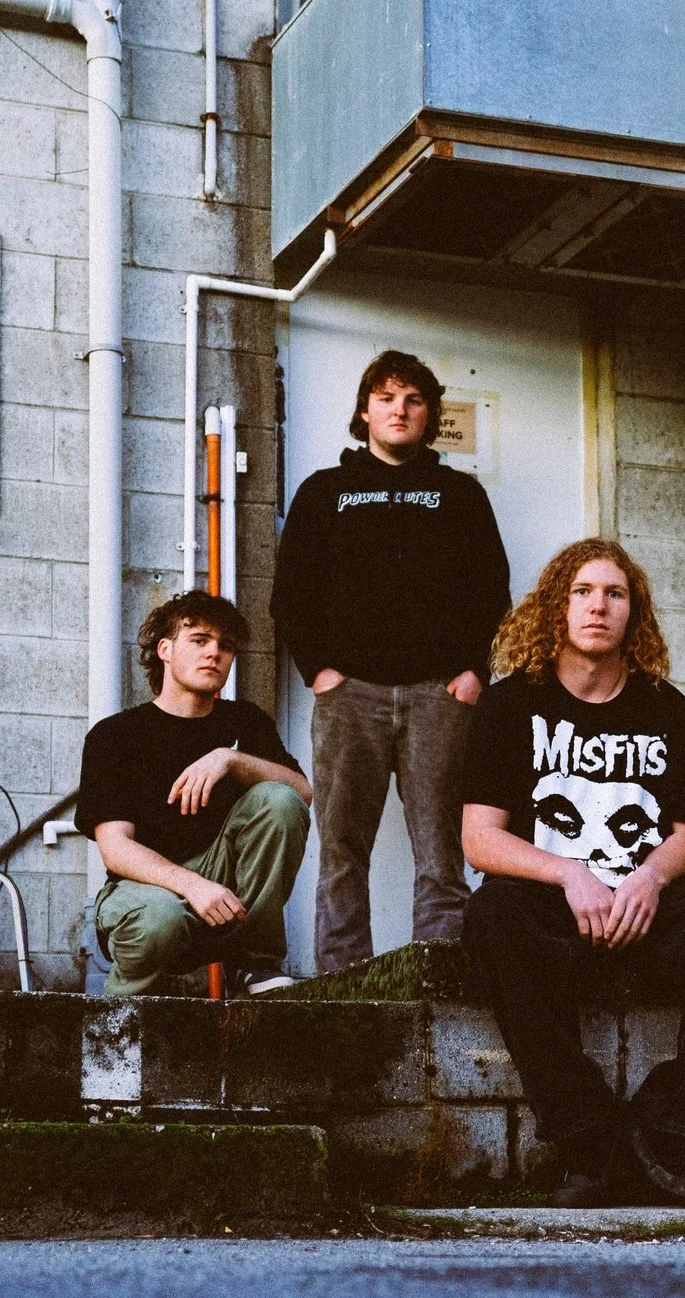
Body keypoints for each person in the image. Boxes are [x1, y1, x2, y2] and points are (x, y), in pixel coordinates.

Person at [461, 539, 685, 1207]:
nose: (598, 606)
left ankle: (669, 1129)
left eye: (615, 593)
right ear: (556, 607)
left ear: (632, 613)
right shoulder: (508, 706)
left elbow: (680, 837)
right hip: (553, 911)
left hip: (644, 907)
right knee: (490, 915)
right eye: (583, 591)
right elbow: (479, 839)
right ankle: (588, 1140)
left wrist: (649, 879)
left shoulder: (665, 708)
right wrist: (568, 873)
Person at [273, 350, 511, 971]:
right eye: (386, 398)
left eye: (412, 399)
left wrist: (472, 673)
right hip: (350, 695)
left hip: (441, 695)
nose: (399, 410)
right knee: (342, 849)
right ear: (364, 410)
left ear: (429, 414)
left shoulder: (459, 495)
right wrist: (321, 673)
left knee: (441, 849)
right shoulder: (325, 492)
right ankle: (342, 980)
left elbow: (493, 592)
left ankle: (442, 973)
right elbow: (290, 594)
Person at [76, 591, 312, 997]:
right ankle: (117, 1024)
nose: (214, 654)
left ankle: (255, 963)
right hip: (144, 893)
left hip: (225, 892)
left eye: (226, 646)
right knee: (159, 919)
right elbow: (115, 848)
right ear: (165, 650)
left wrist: (230, 760)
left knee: (279, 799)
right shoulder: (115, 736)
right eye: (200, 640)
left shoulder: (246, 722)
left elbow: (302, 794)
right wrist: (192, 886)